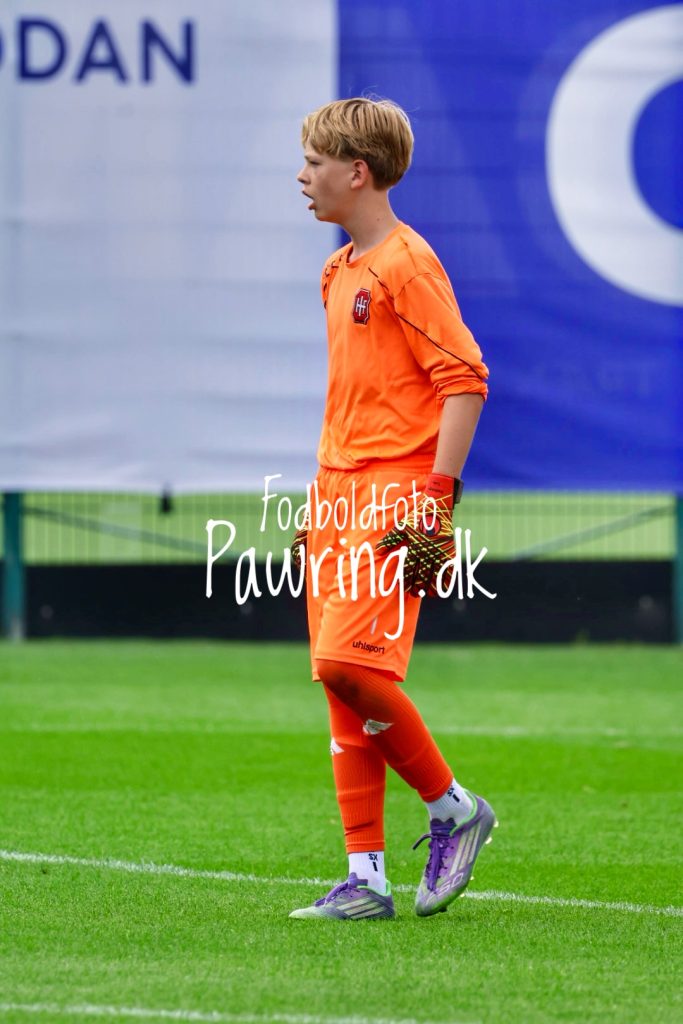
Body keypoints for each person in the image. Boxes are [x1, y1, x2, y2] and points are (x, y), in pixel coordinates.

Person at [289, 97, 496, 921]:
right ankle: (365, 879)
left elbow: (464, 378)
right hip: (337, 492)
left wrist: (435, 501)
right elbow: (356, 395)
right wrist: (321, 498)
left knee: (351, 666)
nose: (302, 176)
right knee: (340, 684)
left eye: (313, 162)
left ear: (357, 171)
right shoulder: (337, 271)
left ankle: (452, 808)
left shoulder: (406, 263)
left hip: (397, 493)